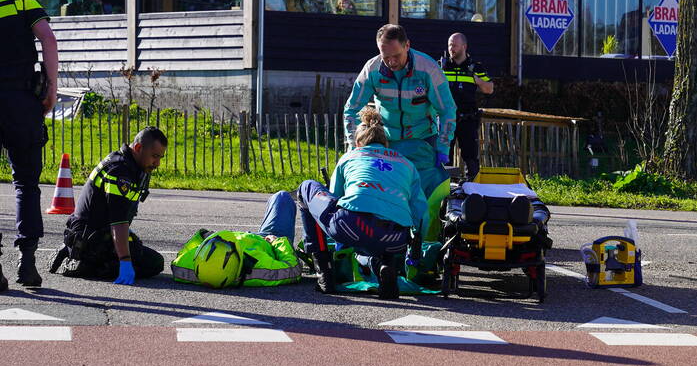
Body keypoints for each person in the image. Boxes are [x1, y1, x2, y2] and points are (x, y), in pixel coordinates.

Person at [299, 107, 427, 300]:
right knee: (380, 232)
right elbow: (421, 212)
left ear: (358, 143)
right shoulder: (407, 164)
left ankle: (324, 273)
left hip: (352, 226)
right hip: (395, 239)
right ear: (386, 143)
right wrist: (415, 247)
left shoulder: (350, 157)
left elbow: (335, 198)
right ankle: (385, 266)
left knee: (305, 188)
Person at [48, 127, 168, 285]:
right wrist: (125, 261)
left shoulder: (134, 166)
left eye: (160, 157)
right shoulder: (119, 171)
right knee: (153, 263)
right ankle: (85, 264)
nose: (157, 163)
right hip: (92, 238)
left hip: (94, 233)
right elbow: (118, 222)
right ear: (138, 148)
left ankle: (73, 250)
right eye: (154, 156)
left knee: (139, 250)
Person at [343, 24, 456, 189]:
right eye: (385, 56)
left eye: (396, 55)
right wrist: (354, 146)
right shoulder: (372, 70)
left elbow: (447, 109)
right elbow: (351, 109)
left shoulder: (429, 69)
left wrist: (443, 146)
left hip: (423, 140)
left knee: (421, 193)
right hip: (387, 142)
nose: (391, 62)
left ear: (407, 45)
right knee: (390, 191)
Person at [0, 0, 59, 290]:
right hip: (22, 100)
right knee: (26, 183)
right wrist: (51, 87)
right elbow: (48, 39)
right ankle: (28, 263)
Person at [171, 191, 301, 288]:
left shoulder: (186, 267)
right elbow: (293, 269)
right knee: (282, 197)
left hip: (237, 237)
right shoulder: (260, 269)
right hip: (268, 240)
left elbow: (180, 258)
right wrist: (277, 242)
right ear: (239, 263)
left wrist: (204, 237)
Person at [439, 33, 494, 181]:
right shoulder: (442, 66)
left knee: (471, 159)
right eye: (450, 45)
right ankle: (445, 192)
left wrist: (477, 80)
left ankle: (473, 193)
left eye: (454, 45)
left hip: (467, 119)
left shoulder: (475, 67)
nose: (451, 48)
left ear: (464, 46)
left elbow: (489, 89)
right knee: (444, 159)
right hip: (447, 120)